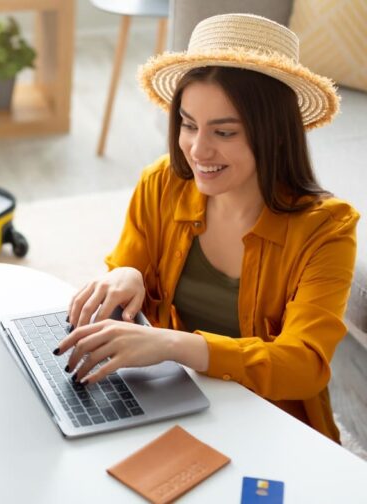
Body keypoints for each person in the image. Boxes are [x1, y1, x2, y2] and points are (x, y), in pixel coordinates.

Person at [55, 13, 358, 443]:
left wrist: (173, 345)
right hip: (171, 401)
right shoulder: (161, 183)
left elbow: (304, 365)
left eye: (225, 131)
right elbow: (126, 275)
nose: (198, 149)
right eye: (189, 124)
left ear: (273, 134)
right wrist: (125, 274)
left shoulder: (327, 229)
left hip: (272, 424)